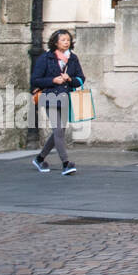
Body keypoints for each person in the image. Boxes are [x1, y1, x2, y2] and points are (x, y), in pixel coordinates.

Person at [30, 29, 85, 176]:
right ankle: (66, 163)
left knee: (59, 131)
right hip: (50, 97)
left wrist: (70, 79)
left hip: (66, 98)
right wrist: (53, 80)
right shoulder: (45, 58)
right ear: (55, 42)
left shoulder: (73, 58)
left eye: (68, 40)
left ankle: (40, 158)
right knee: (58, 130)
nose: (66, 42)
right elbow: (35, 80)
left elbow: (81, 79)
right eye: (63, 40)